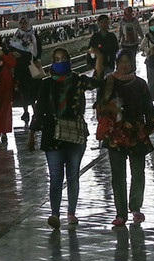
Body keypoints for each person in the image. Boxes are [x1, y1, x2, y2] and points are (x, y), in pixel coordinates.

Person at [28, 47, 105, 228]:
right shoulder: (46, 84)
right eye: (57, 59)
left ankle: (71, 212)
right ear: (53, 62)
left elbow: (97, 81)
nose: (61, 62)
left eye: (64, 58)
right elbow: (38, 111)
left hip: (75, 135)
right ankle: (55, 213)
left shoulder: (78, 81)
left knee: (72, 175)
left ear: (69, 61)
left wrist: (99, 57)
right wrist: (31, 134)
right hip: (52, 136)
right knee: (55, 176)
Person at [97, 50, 154, 227]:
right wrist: (112, 108)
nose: (124, 65)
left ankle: (136, 207)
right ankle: (120, 213)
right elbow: (100, 105)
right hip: (115, 133)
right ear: (117, 63)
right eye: (121, 61)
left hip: (136, 132)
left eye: (128, 61)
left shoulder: (140, 84)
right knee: (118, 175)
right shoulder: (109, 82)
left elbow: (149, 108)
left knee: (138, 172)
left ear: (132, 63)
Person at [8, 17, 42, 123]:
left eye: (25, 22)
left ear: (28, 23)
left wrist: (38, 59)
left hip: (30, 65)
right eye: (21, 22)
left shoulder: (33, 35)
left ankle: (34, 109)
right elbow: (11, 48)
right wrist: (13, 54)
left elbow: (38, 48)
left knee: (31, 89)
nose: (22, 24)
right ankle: (25, 111)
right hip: (20, 66)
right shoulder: (17, 35)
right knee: (21, 89)